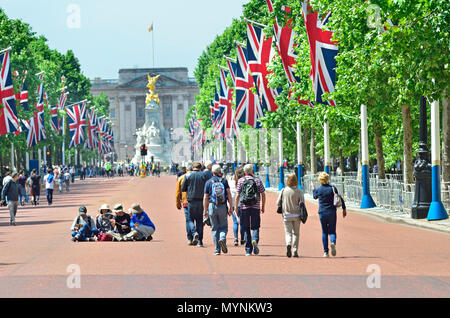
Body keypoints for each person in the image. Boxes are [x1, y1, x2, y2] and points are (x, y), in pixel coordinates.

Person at [311, 172, 347, 257]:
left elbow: (314, 196)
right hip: (332, 212)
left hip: (322, 212)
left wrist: (313, 188)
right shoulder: (332, 188)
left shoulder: (319, 190)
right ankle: (333, 242)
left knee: (324, 232)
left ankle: (325, 252)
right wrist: (344, 209)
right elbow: (339, 197)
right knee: (332, 231)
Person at [234, 164, 266, 256]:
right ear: (252, 171)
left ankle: (248, 250)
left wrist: (236, 207)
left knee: (246, 227)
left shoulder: (240, 181)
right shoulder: (257, 180)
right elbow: (263, 193)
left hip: (244, 207)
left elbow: (237, 195)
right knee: (255, 226)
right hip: (255, 207)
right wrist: (263, 206)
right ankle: (254, 240)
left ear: (244, 172)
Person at [203, 164, 233, 255]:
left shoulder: (208, 182)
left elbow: (205, 197)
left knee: (214, 228)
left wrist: (205, 210)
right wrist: (231, 207)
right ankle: (222, 238)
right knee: (223, 227)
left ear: (212, 172)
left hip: (212, 206)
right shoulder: (224, 181)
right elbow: (229, 194)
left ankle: (217, 250)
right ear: (220, 172)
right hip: (222, 206)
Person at [277, 174, 305, 258]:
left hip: (286, 215)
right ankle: (295, 250)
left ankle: (288, 244)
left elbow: (278, 202)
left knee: (288, 233)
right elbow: (303, 203)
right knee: (296, 233)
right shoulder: (299, 191)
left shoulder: (283, 190)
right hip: (297, 214)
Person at [181, 162, 208, 247]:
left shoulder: (188, 175)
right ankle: (200, 241)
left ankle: (194, 232)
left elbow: (183, 188)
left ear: (193, 168)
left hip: (191, 200)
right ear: (200, 168)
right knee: (200, 221)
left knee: (190, 219)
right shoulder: (204, 176)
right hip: (201, 200)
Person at [176, 164, 195, 245]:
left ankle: (190, 238)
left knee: (188, 220)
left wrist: (178, 203)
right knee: (197, 219)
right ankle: (198, 238)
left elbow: (178, 192)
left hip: (185, 201)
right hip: (197, 200)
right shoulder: (197, 176)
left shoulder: (181, 178)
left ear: (187, 169)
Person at [231, 167, 245, 246]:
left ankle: (236, 239)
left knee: (235, 222)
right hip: (243, 205)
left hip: (234, 205)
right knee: (243, 223)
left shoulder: (231, 182)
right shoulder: (244, 181)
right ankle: (242, 239)